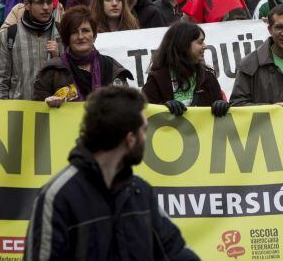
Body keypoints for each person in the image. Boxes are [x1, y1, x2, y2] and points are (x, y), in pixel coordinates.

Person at [24, 85, 200, 260]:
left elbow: (175, 251)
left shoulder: (140, 192)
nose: (146, 139)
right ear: (130, 139)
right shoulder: (58, 198)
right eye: (144, 131)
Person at [32, 6, 132, 106]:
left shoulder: (112, 67)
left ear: (94, 36)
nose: (80, 36)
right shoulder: (52, 70)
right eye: (74, 32)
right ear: (67, 38)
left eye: (85, 30)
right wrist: (47, 104)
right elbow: (37, 109)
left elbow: (127, 106)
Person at [0, 0, 61, 100]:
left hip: (53, 113)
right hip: (19, 113)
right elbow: (0, 81)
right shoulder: (9, 35)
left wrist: (58, 57)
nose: (46, 7)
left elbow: (72, 76)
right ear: (27, 4)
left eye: (49, 2)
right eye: (40, 2)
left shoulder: (61, 32)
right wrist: (1, 113)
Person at [142, 21, 228, 116]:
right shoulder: (157, 79)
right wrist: (163, 108)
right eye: (200, 42)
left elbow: (221, 113)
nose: (205, 46)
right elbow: (144, 112)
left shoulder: (208, 76)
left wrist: (222, 105)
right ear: (183, 44)